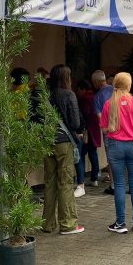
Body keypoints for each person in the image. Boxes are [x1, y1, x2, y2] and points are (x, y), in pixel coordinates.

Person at [99, 73, 133, 233]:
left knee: (119, 184)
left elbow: (104, 128)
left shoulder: (109, 104)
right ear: (128, 85)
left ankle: (120, 223)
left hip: (115, 145)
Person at [42, 64, 85, 235]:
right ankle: (68, 224)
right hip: (64, 142)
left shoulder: (45, 95)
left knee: (49, 182)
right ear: (66, 78)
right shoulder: (69, 95)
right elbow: (75, 123)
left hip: (47, 141)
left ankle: (47, 224)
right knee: (65, 182)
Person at [74, 79, 100, 196]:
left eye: (78, 90)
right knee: (93, 153)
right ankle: (94, 178)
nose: (77, 92)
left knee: (81, 155)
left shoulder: (84, 99)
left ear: (82, 89)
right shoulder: (94, 96)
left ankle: (81, 180)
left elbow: (84, 114)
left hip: (87, 131)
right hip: (94, 130)